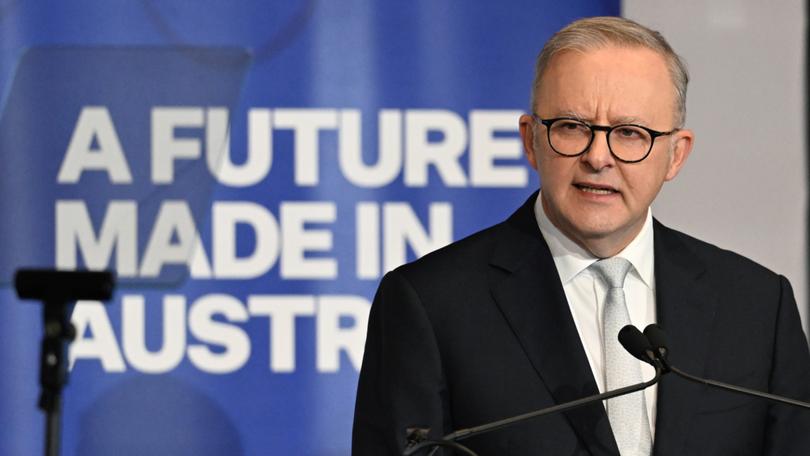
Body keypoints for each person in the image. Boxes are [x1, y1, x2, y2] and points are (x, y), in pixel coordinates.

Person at [352, 16, 810, 456]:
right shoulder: (431, 304)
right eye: (572, 127)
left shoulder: (756, 306)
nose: (598, 157)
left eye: (630, 133)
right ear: (531, 140)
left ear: (675, 155)